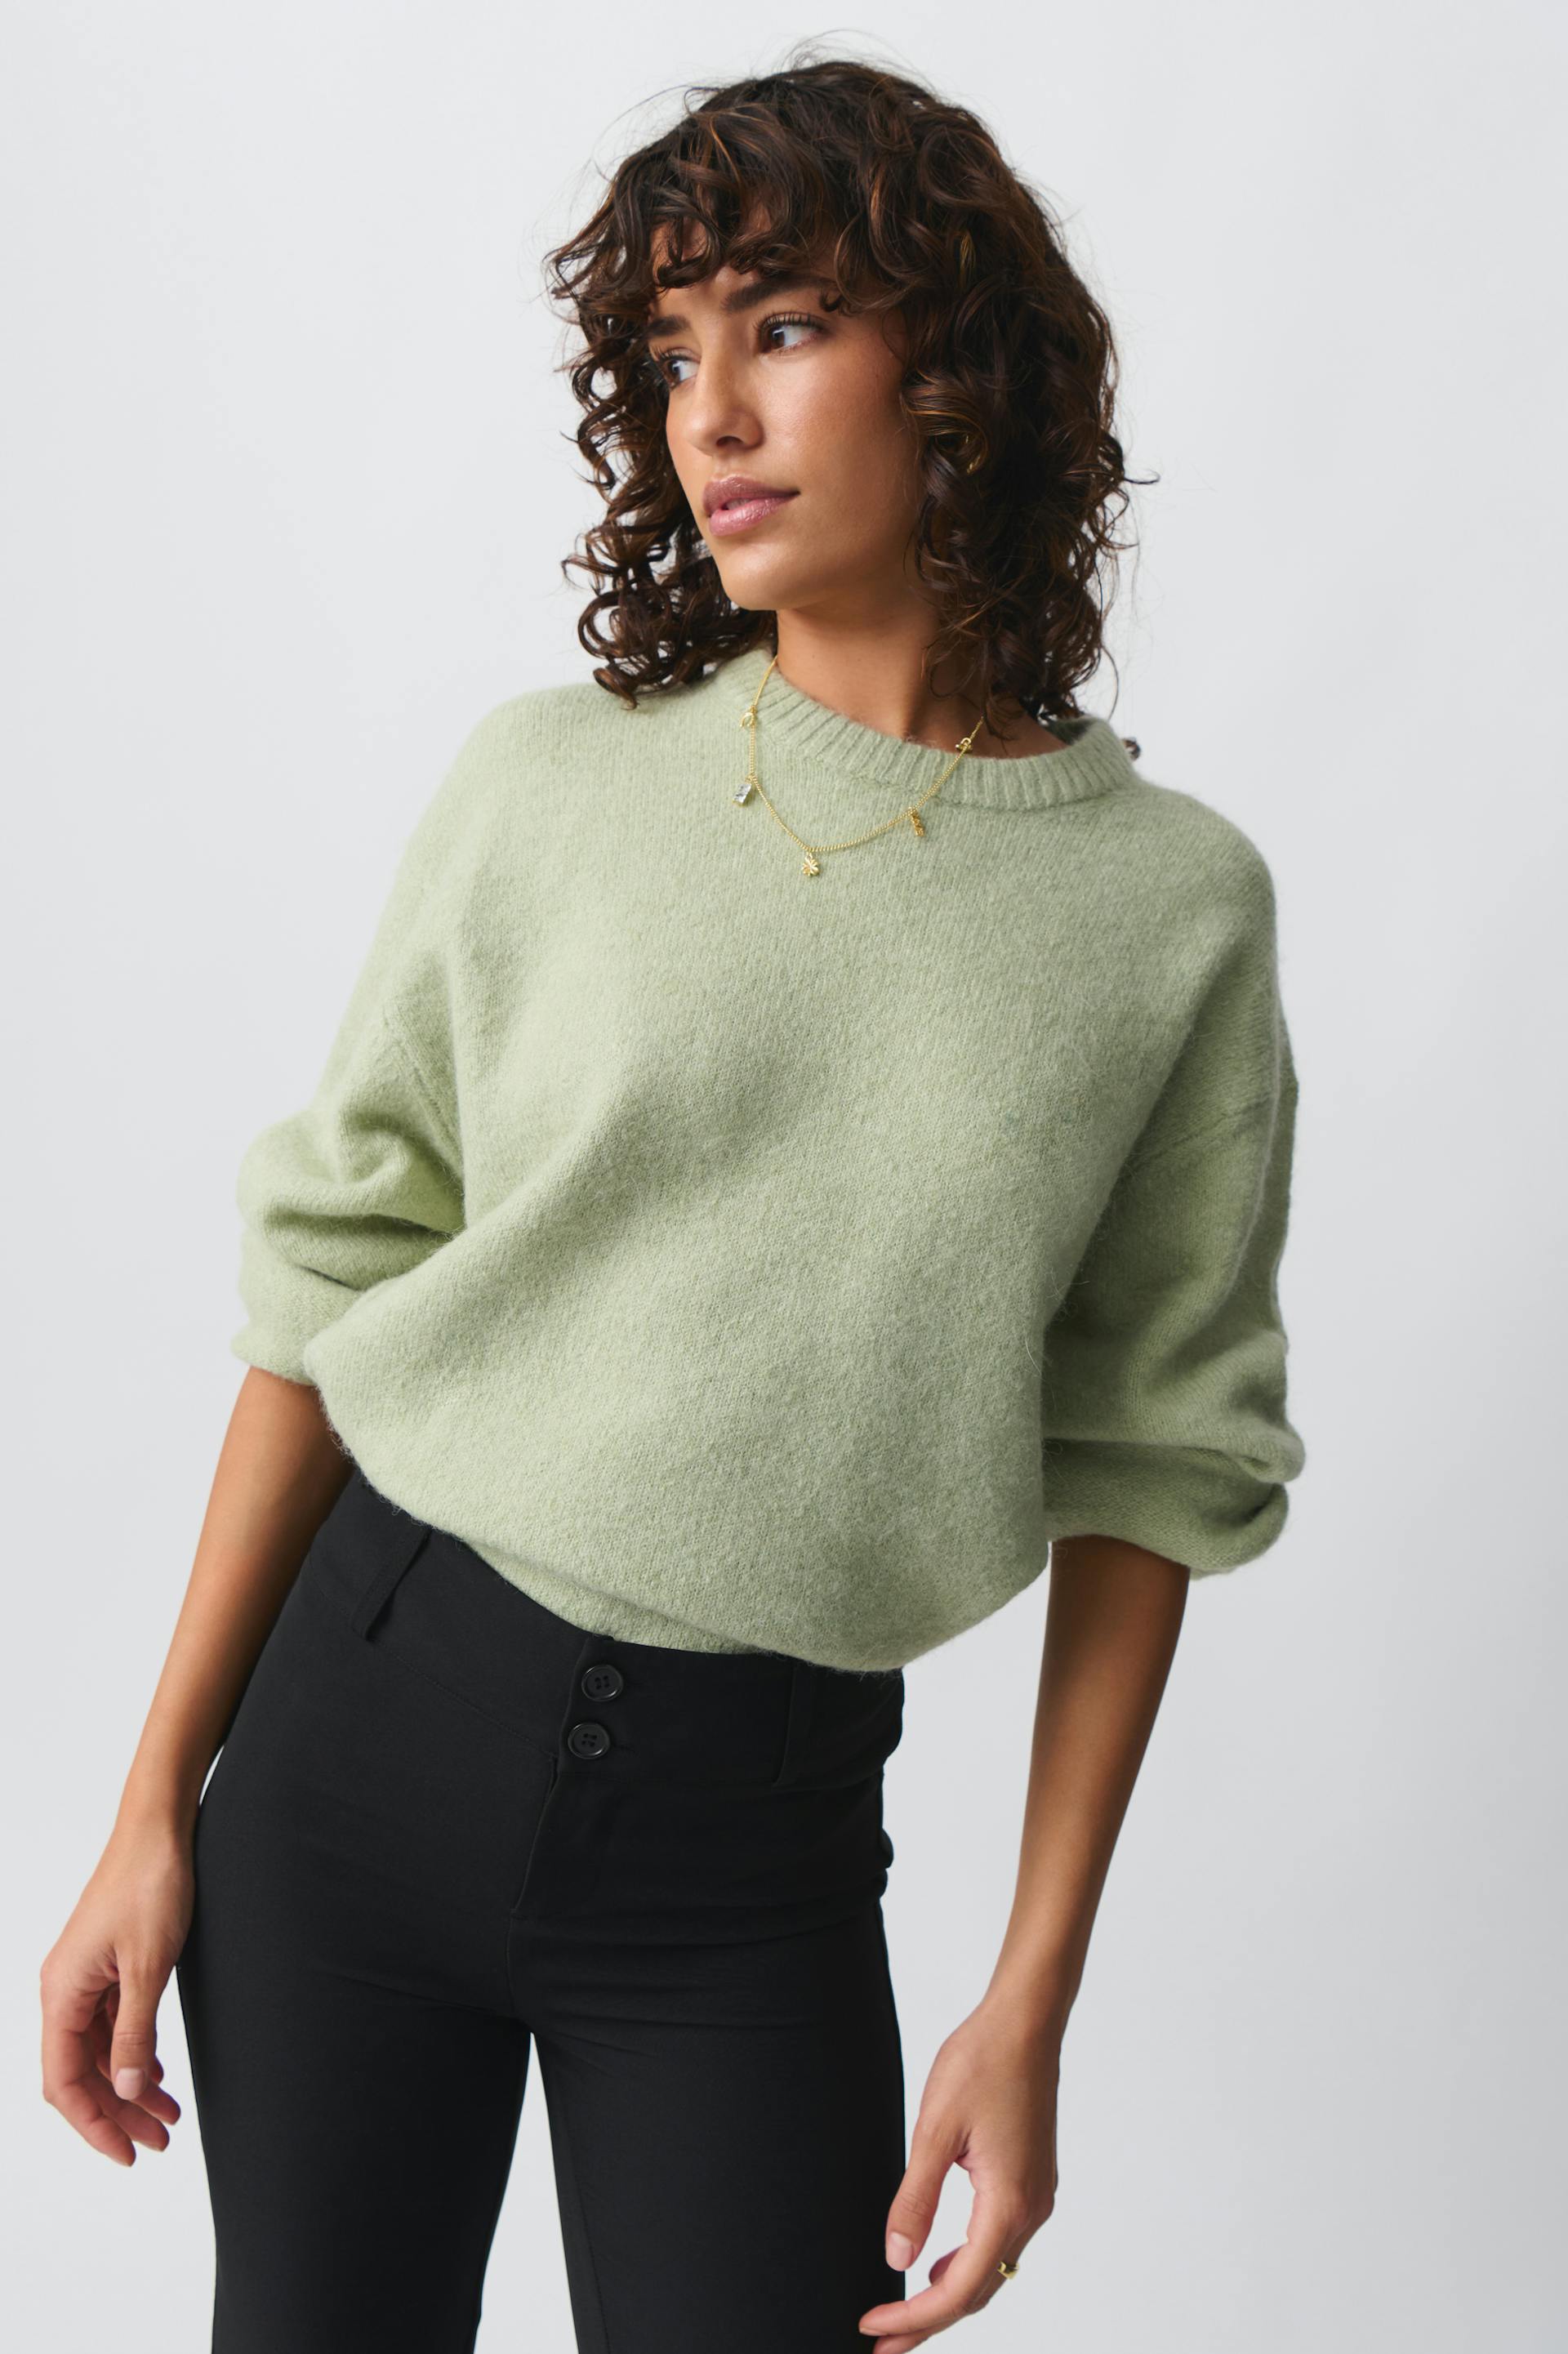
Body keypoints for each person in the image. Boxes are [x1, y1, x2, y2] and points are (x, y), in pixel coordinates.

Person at [38, 51, 1306, 2354]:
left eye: (783, 326)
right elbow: (331, 1278)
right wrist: (151, 1801)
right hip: (357, 1745)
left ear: (963, 368)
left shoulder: (1167, 912)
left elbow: (1157, 1458)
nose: (711, 410)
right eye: (671, 349)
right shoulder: (548, 786)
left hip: (752, 1847)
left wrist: (1027, 1996)